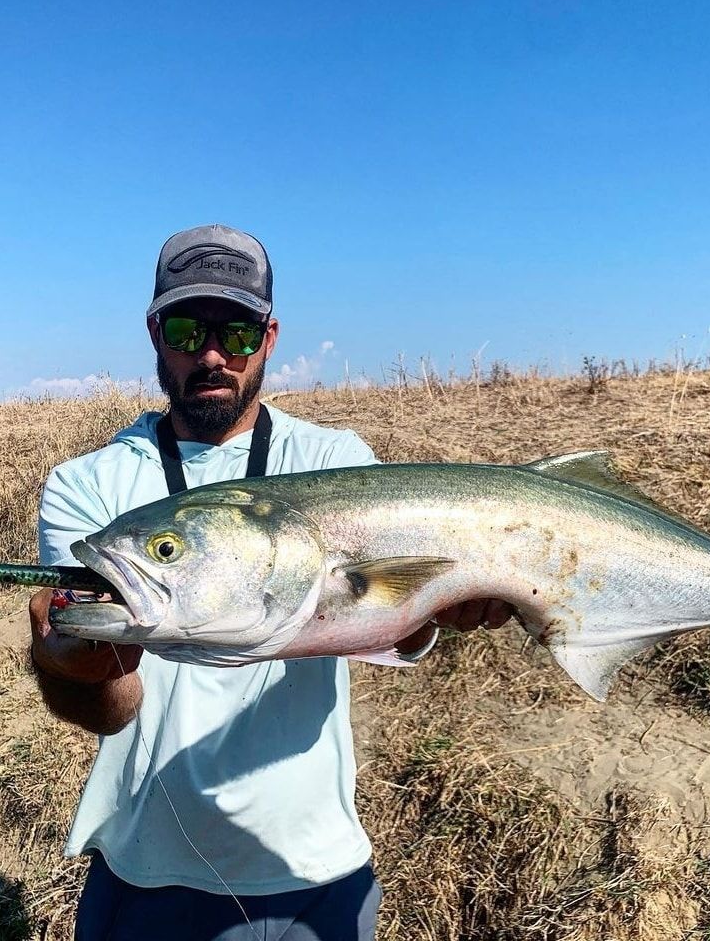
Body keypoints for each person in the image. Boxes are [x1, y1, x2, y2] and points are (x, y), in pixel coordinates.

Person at [28, 224, 512, 941]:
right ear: (156, 333)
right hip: (146, 871)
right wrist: (68, 661)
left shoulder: (337, 462)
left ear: (271, 336)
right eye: (189, 330)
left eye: (240, 332)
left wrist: (444, 600)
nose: (214, 354)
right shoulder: (91, 490)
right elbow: (110, 709)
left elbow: (384, 626)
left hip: (313, 875)